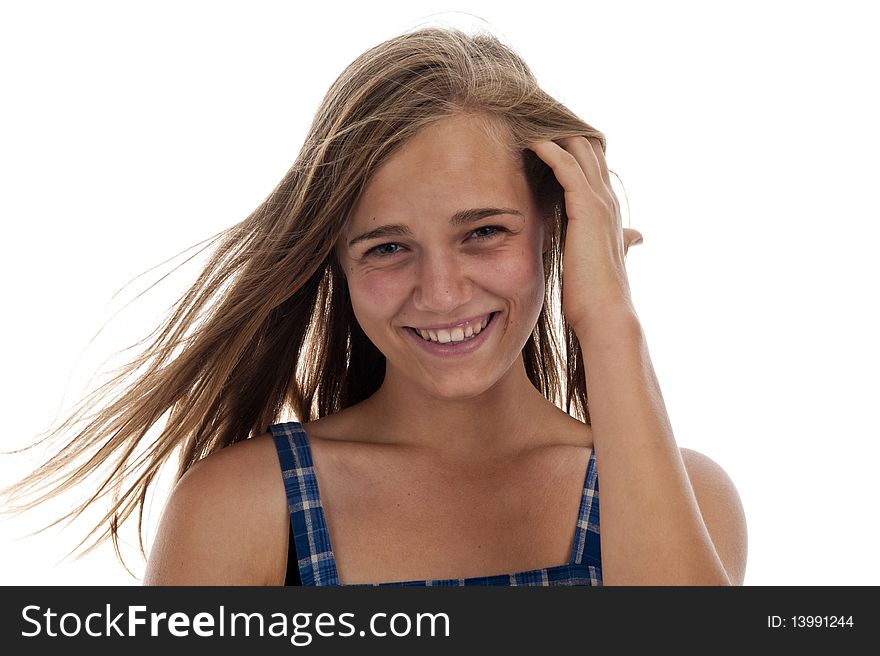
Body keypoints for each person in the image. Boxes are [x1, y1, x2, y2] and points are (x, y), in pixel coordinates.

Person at [3, 27, 747, 586]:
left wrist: (611, 324)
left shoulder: (681, 499)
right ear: (336, 261)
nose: (443, 292)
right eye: (388, 248)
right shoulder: (242, 511)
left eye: (484, 232)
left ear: (558, 231)